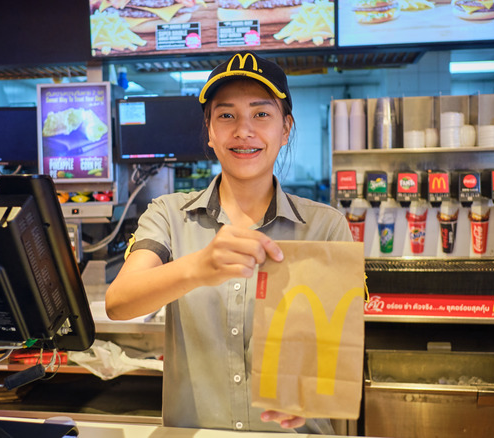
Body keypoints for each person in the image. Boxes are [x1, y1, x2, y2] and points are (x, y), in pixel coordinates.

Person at [105, 51, 352, 434]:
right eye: (226, 115)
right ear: (209, 130)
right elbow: (120, 302)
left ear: (285, 129)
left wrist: (316, 391)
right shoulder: (168, 214)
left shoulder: (325, 227)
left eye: (261, 114)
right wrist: (196, 268)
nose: (243, 130)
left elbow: (338, 347)